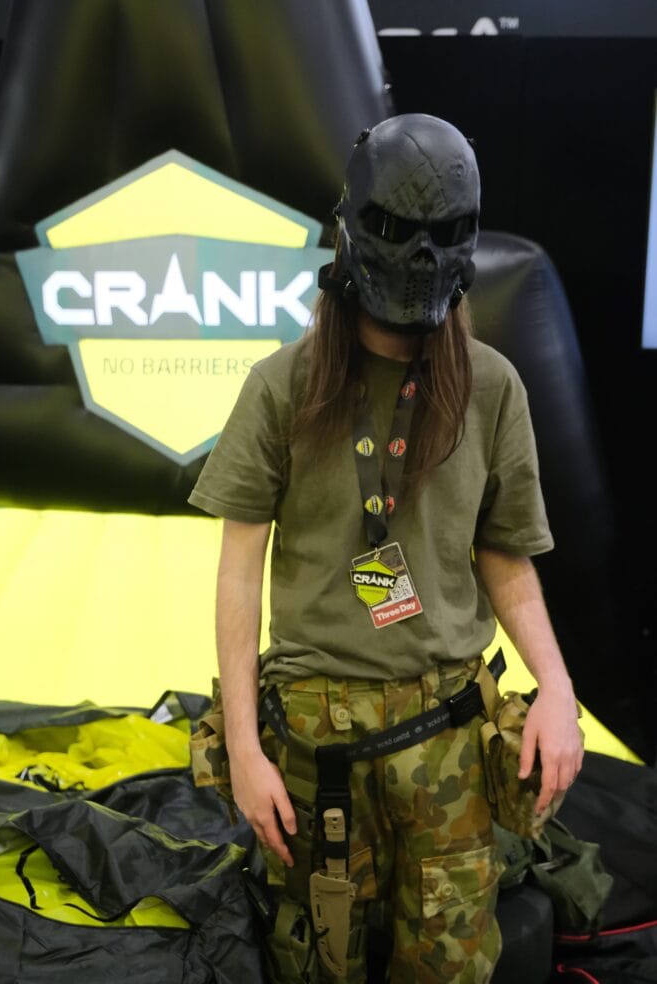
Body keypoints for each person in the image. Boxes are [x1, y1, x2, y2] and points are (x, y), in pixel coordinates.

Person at [188, 113, 584, 984]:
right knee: (316, 958)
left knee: (447, 965)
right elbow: (237, 572)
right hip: (313, 742)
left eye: (440, 236)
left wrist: (557, 690)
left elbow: (506, 558)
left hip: (444, 736)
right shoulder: (282, 387)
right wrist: (247, 748)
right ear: (353, 228)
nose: (416, 257)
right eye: (397, 232)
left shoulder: (489, 388)